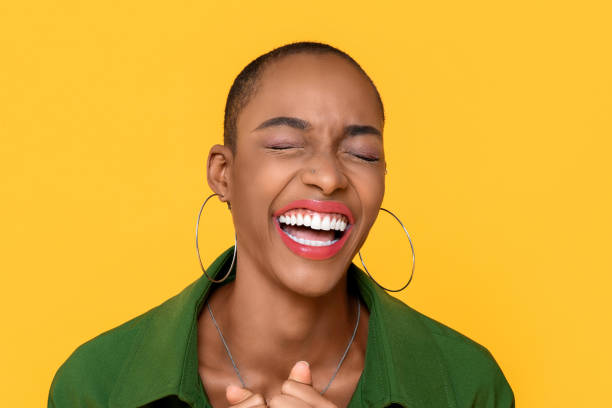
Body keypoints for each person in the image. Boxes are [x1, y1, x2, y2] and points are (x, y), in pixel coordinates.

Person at [48, 42, 515, 408]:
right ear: (223, 174)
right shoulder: (96, 385)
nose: (329, 177)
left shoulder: (468, 385)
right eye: (286, 144)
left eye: (363, 154)